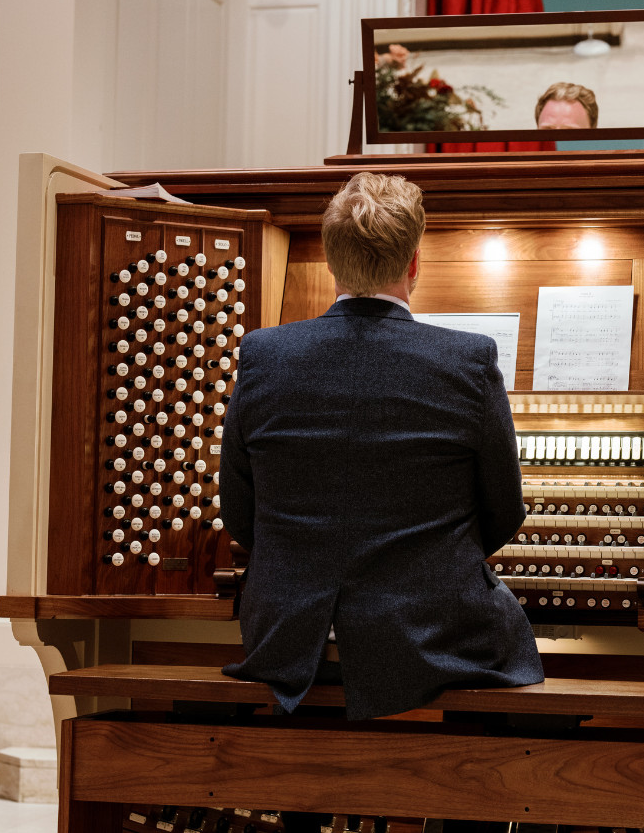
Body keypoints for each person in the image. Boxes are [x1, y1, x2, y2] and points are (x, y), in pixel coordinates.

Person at [218, 170, 543, 723]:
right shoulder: (467, 359)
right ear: (414, 263)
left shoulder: (264, 353)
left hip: (291, 633)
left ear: (329, 262)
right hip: (430, 633)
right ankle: (473, 803)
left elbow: (239, 515)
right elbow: (503, 514)